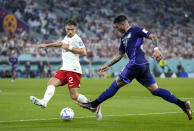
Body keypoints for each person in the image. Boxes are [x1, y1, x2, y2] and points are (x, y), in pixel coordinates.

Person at [79, 15, 192, 120]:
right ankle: (183, 104)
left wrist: (156, 49)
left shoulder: (136, 29)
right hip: (142, 66)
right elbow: (119, 54)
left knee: (116, 84)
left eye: (117, 27)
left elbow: (152, 36)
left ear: (123, 24)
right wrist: (108, 65)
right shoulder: (123, 38)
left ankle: (93, 105)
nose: (116, 29)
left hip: (136, 64)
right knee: (155, 90)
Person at [30, 20, 102, 120]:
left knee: (74, 96)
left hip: (73, 70)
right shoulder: (66, 37)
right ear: (65, 29)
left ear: (75, 29)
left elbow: (84, 52)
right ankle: (44, 102)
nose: (70, 32)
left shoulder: (77, 39)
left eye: (72, 30)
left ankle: (95, 107)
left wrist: (70, 47)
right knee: (51, 83)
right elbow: (61, 43)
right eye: (68, 29)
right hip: (64, 69)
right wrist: (46, 45)